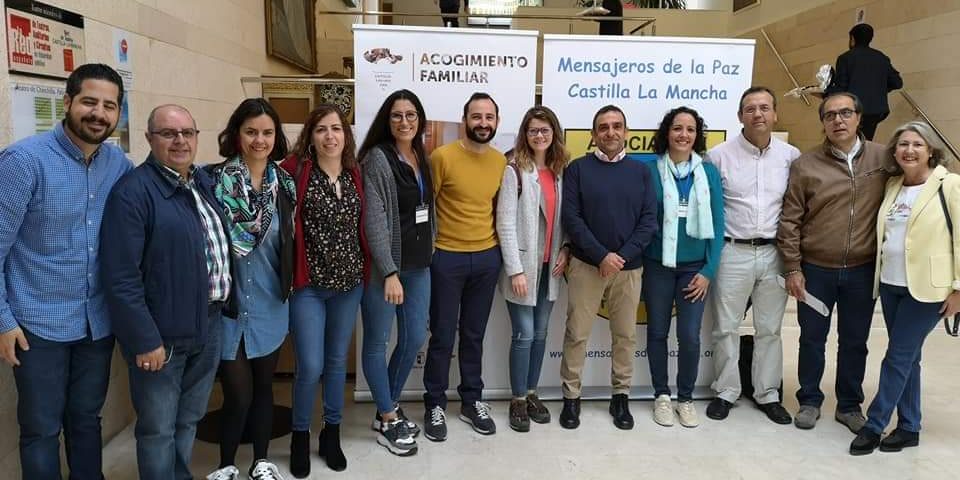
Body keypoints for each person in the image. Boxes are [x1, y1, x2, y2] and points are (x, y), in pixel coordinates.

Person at [0, 63, 131, 480]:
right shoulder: (24, 162)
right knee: (40, 429)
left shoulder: (118, 165)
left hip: (97, 322)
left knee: (86, 421)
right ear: (68, 101)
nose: (99, 113)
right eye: (89, 101)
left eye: (109, 106)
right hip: (36, 325)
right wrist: (3, 321)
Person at [102, 104, 232, 480]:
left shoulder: (199, 182)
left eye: (187, 133)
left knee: (189, 419)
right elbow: (122, 277)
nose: (180, 141)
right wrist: (144, 340)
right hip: (161, 337)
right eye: (168, 134)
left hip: (206, 325)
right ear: (148, 139)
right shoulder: (133, 193)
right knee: (158, 429)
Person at [778, 92, 889, 432]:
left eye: (845, 113)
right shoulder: (806, 165)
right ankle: (809, 400)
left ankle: (849, 404)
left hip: (863, 269)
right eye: (830, 115)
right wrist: (793, 268)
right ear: (823, 123)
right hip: (816, 269)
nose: (838, 120)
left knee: (855, 340)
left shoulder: (884, 159)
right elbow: (790, 220)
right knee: (812, 337)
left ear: (858, 117)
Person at [850, 122, 960, 455]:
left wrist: (958, 287)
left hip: (927, 289)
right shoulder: (893, 186)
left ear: (930, 150)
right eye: (903, 144)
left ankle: (874, 424)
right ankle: (909, 426)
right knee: (909, 359)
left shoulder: (950, 184)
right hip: (892, 284)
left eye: (917, 144)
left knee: (897, 356)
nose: (909, 150)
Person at [204, 98, 296, 480]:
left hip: (270, 305)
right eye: (251, 132)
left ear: (277, 137)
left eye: (267, 132)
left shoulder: (285, 186)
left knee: (263, 389)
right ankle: (226, 466)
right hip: (229, 306)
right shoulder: (211, 181)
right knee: (237, 395)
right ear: (236, 135)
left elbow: (289, 244)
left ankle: (261, 462)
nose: (260, 140)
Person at [279, 104, 368, 477]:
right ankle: (300, 435)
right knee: (310, 366)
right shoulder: (294, 171)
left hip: (349, 285)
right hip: (309, 287)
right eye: (321, 130)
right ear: (310, 136)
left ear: (345, 135)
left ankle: (331, 433)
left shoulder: (355, 174)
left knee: (335, 364)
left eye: (336, 129)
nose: (330, 136)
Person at [559, 104, 658, 431]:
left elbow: (648, 221)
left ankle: (621, 396)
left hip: (629, 269)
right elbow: (572, 219)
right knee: (577, 334)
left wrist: (621, 256)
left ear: (626, 133)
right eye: (603, 127)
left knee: (625, 335)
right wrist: (602, 255)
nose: (611, 132)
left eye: (617, 126)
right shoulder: (577, 169)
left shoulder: (641, 171)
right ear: (593, 135)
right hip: (587, 266)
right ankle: (571, 398)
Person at [705, 87, 799, 424]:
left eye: (764, 108)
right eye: (750, 108)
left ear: (775, 114)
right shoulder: (718, 156)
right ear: (739, 115)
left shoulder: (791, 156)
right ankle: (726, 391)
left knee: (769, 328)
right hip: (733, 252)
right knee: (726, 326)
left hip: (774, 253)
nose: (757, 114)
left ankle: (767, 394)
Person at [422, 92, 506, 441]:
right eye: (476, 116)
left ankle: (472, 400)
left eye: (489, 117)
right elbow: (427, 210)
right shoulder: (442, 157)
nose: (483, 123)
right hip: (446, 257)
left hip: (487, 257)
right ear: (464, 120)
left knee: (473, 334)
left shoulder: (501, 162)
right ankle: (435, 404)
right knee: (442, 335)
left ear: (497, 122)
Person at [357, 89, 435, 456]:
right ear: (387, 121)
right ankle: (388, 417)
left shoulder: (421, 154)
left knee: (414, 336)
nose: (404, 121)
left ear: (419, 119)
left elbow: (425, 207)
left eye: (411, 114)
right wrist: (388, 271)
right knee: (376, 342)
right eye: (397, 116)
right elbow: (373, 218)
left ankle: (383, 405)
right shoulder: (376, 158)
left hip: (419, 265)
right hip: (386, 269)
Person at [642, 106, 724, 429]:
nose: (684, 135)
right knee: (658, 332)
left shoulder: (708, 173)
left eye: (690, 129)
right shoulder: (650, 170)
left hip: (694, 270)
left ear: (697, 135)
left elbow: (718, 225)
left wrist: (708, 272)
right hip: (658, 265)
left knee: (689, 336)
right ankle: (662, 395)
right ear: (667, 132)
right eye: (677, 128)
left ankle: (685, 398)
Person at [496, 106, 570, 433]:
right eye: (533, 130)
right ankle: (516, 399)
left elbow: (566, 219)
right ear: (525, 135)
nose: (539, 136)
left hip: (549, 268)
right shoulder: (515, 170)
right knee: (524, 334)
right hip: (523, 269)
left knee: (540, 334)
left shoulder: (560, 171)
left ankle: (531, 392)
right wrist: (515, 270)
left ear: (554, 133)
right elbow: (505, 224)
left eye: (544, 130)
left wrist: (566, 249)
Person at [825, 23, 903, 141]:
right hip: (877, 111)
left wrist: (825, 92)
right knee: (865, 142)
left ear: (852, 38)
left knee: (850, 143)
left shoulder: (846, 58)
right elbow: (897, 83)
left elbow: (841, 87)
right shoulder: (881, 57)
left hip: (854, 110)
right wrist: (880, 88)